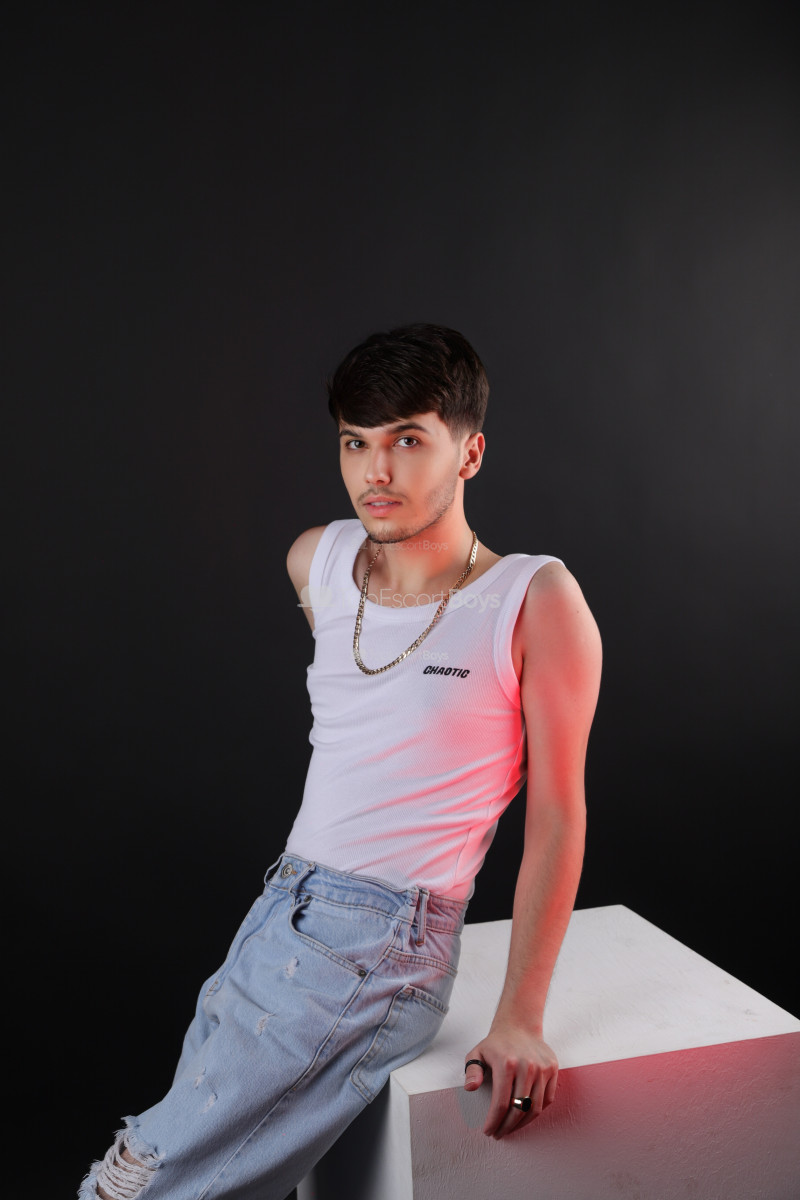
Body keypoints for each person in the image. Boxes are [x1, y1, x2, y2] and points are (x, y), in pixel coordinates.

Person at [79, 323, 602, 1200]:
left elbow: (558, 814)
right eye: (356, 443)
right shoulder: (315, 560)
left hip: (385, 937)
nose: (376, 472)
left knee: (139, 1181)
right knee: (200, 1164)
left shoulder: (533, 598)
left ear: (470, 454)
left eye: (408, 441)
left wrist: (520, 1015)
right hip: (279, 909)